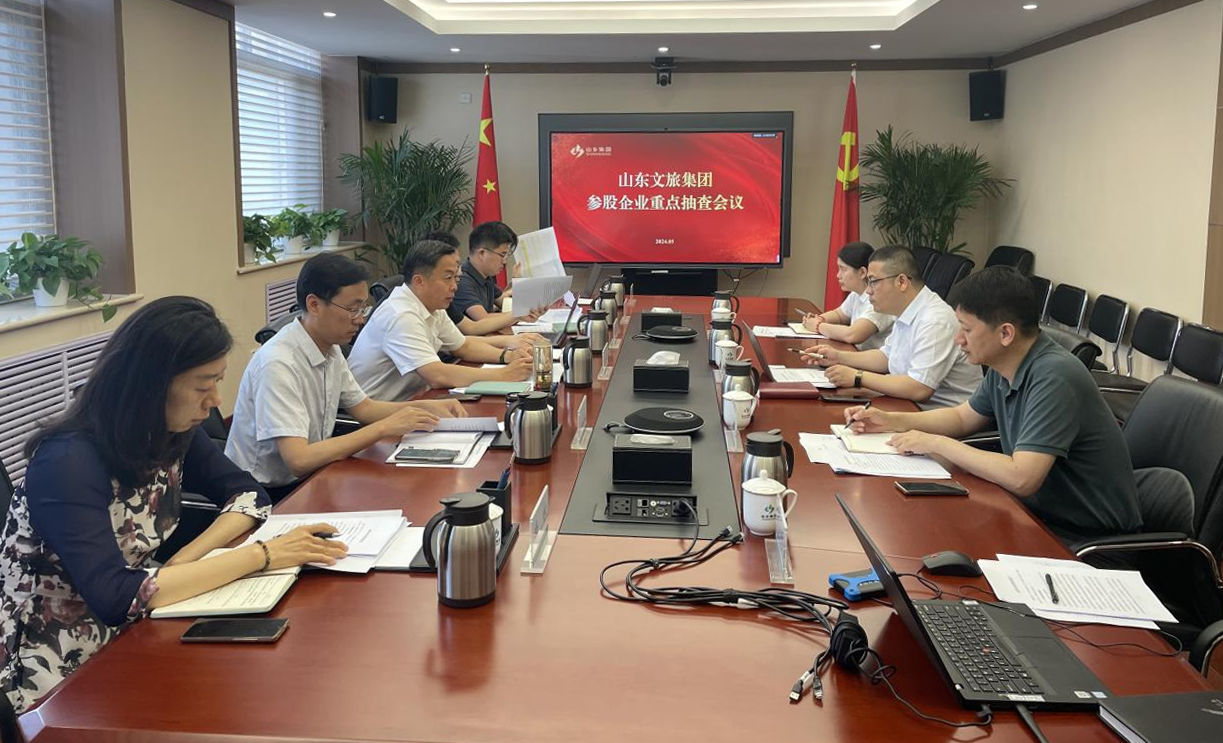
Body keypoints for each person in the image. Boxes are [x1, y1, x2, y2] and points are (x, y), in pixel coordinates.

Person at [0, 297, 348, 714]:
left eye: (218, 381)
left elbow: (248, 494)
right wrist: (262, 555)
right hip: (49, 666)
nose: (215, 400)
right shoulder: (68, 461)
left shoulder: (169, 431)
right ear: (151, 386)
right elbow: (115, 596)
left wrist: (186, 558)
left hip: (138, 625)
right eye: (203, 386)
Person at [843, 267, 1142, 544]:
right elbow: (962, 418)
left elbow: (1022, 477)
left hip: (1083, 540)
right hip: (1033, 515)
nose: (958, 339)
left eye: (966, 329)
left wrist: (937, 443)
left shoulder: (1055, 376)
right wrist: (891, 420)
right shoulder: (1005, 364)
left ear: (1006, 333)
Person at [225, 253, 466, 499]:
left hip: (314, 474)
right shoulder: (278, 363)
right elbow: (298, 459)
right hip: (266, 492)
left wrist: (425, 407)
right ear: (314, 305)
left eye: (362, 308)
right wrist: (384, 427)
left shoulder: (329, 346)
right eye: (352, 309)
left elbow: (364, 408)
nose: (360, 319)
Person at [348, 239, 535, 401]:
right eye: (448, 278)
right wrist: (504, 374)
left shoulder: (432, 305)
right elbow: (437, 375)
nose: (454, 286)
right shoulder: (400, 315)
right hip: (381, 413)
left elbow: (463, 346)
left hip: (417, 400)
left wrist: (509, 356)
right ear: (419, 281)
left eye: (456, 278)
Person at [803, 245, 979, 409]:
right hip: (905, 405)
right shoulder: (906, 309)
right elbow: (886, 357)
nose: (868, 290)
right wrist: (838, 357)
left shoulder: (934, 320)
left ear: (901, 282)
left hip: (935, 416)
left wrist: (858, 377)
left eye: (873, 281)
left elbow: (919, 388)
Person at [446, 222, 546, 334]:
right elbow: (483, 319)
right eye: (502, 255)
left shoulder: (485, 276)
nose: (505, 261)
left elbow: (504, 302)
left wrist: (533, 308)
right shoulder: (462, 280)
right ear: (482, 253)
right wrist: (519, 314)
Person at [801, 241, 894, 350]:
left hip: (870, 359)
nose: (838, 275)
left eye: (843, 269)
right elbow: (839, 315)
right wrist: (819, 318)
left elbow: (853, 335)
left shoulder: (879, 300)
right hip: (856, 354)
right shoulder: (856, 294)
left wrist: (818, 326)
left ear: (862, 272)